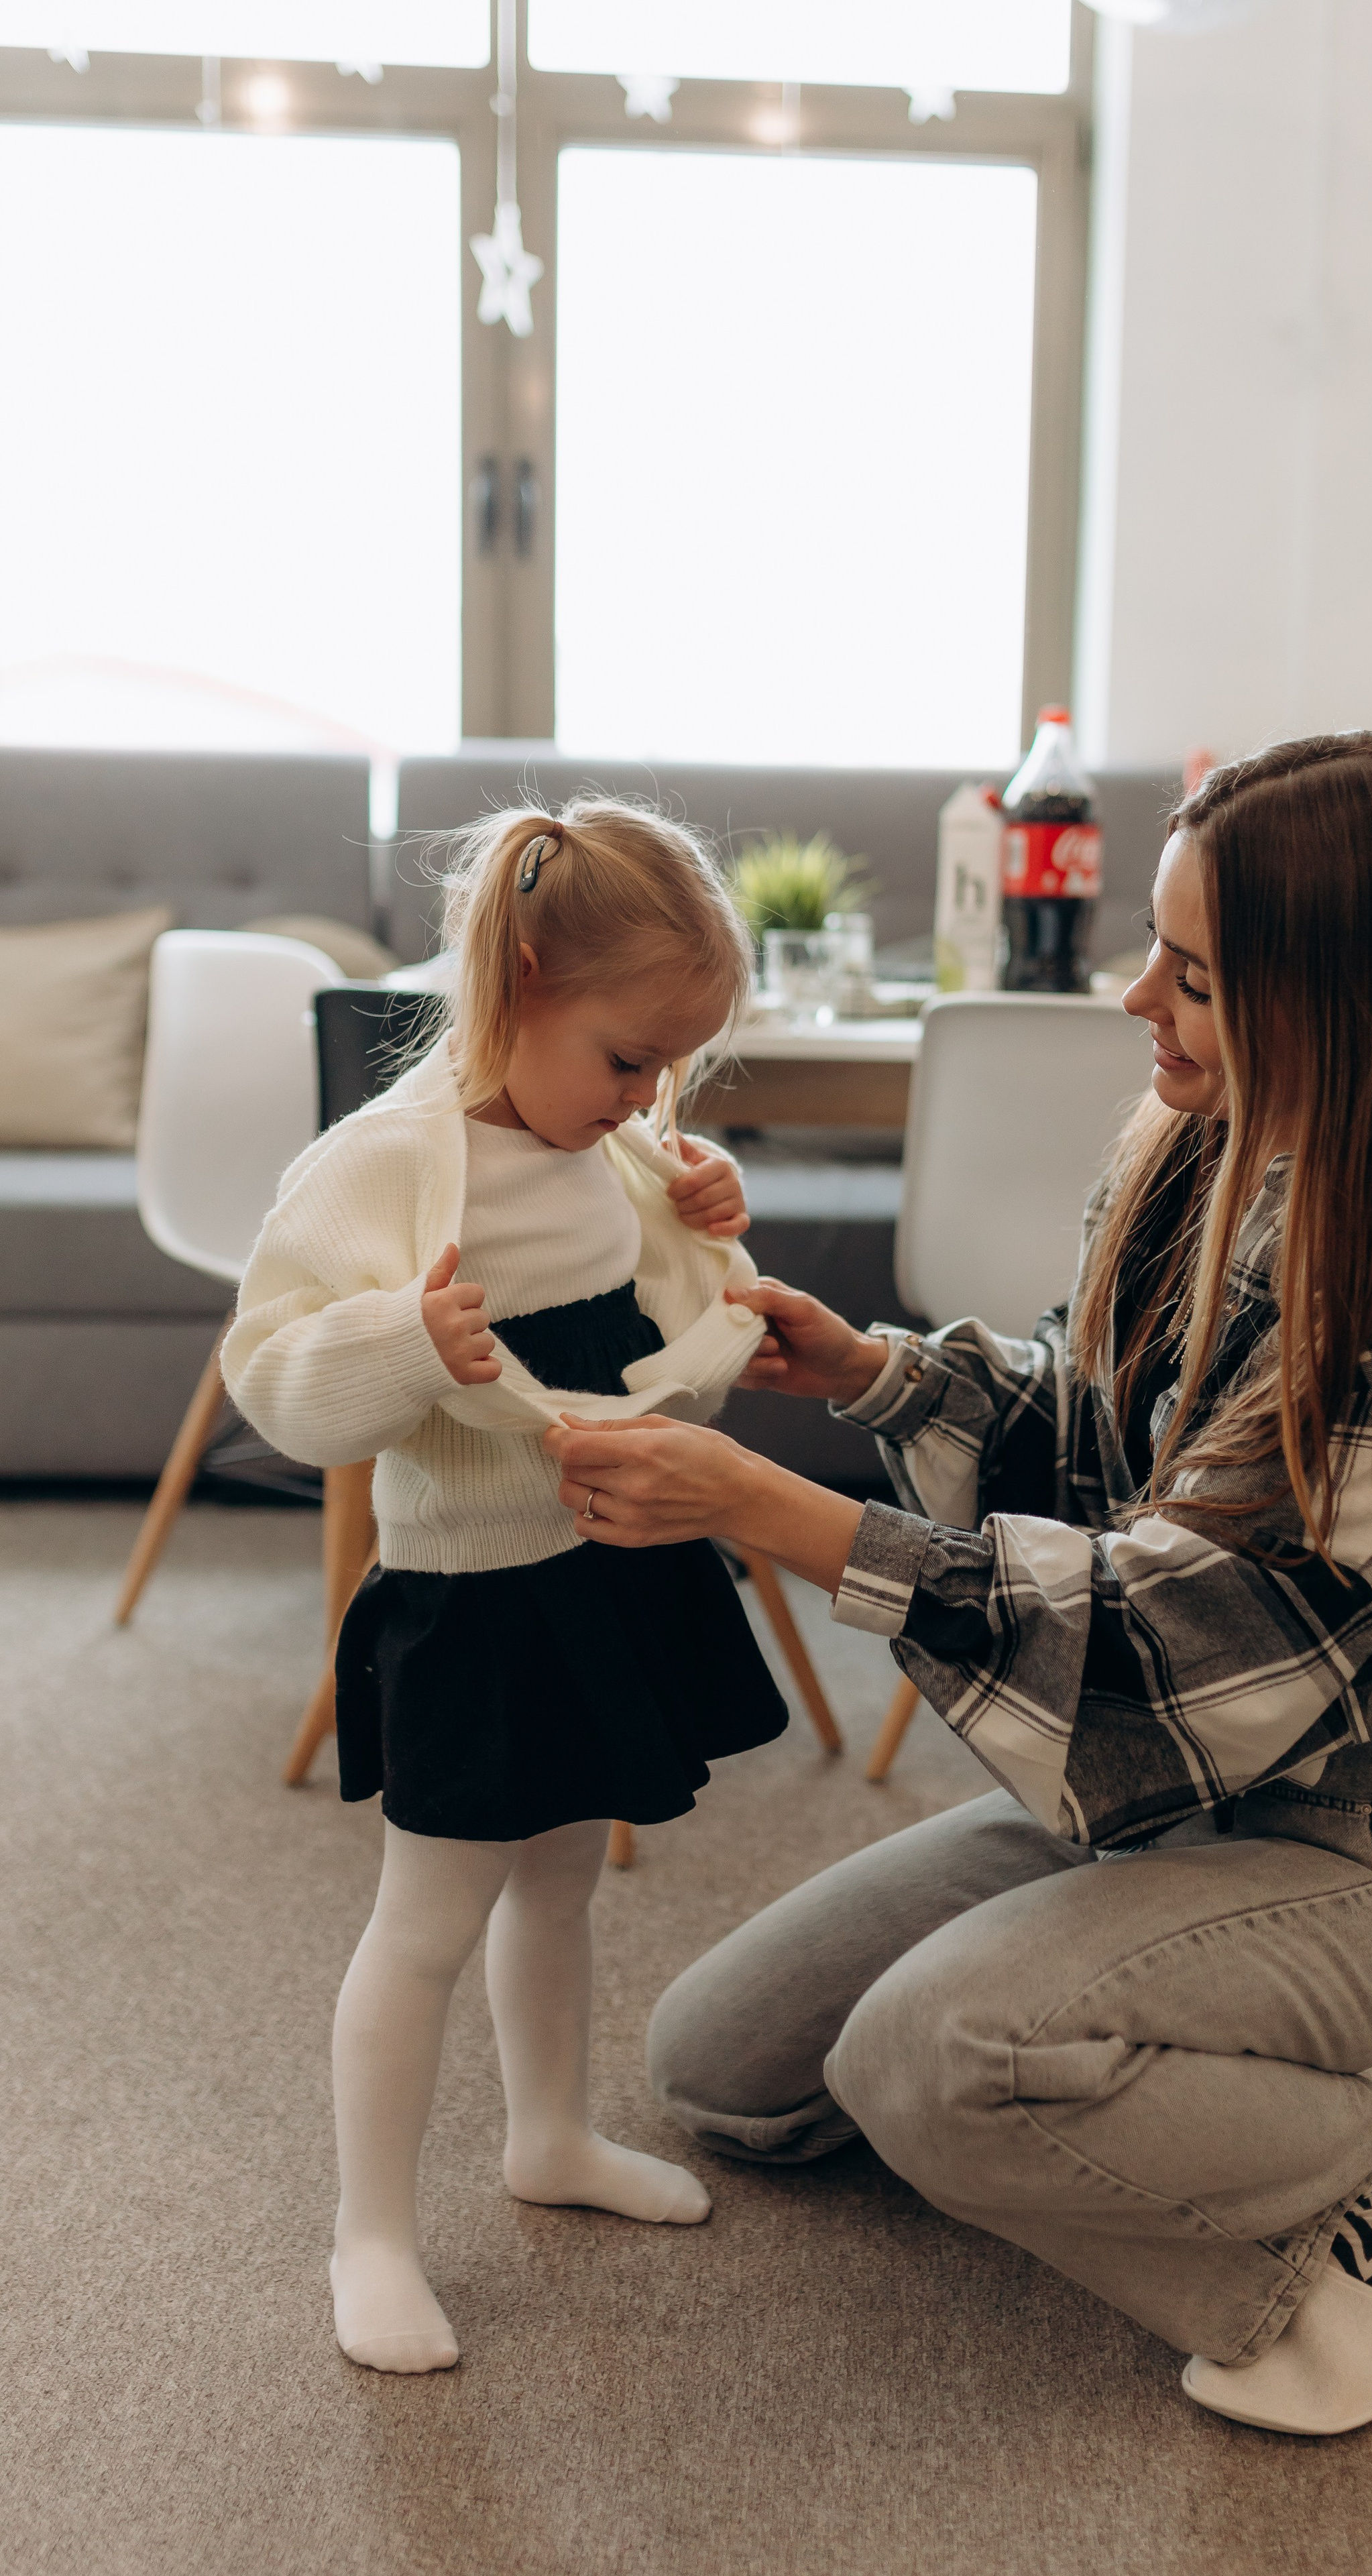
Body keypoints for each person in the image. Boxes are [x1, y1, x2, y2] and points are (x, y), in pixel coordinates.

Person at [544, 734, 1372, 2437]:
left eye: (1187, 971)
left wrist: (771, 1510)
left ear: (1326, 998)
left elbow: (1182, 1640)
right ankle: (1102, 2094)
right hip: (1155, 1818)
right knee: (721, 2068)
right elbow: (1082, 1428)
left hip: (1346, 1859)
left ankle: (1358, 2191)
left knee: (919, 2061)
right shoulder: (1190, 1156)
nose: (1129, 996)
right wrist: (869, 1375)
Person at [223, 801, 789, 2375]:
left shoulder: (600, 1142)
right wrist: (409, 1339)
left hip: (600, 1571)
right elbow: (271, 1372)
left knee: (563, 1876)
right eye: (627, 1055)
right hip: (474, 1593)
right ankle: (371, 2234)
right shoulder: (391, 1164)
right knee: (425, 1920)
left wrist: (700, 1216)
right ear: (520, 977)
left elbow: (668, 1340)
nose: (646, 1094)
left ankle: (548, 2134)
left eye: (671, 1066)